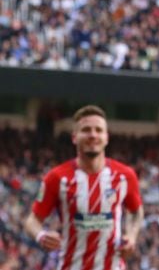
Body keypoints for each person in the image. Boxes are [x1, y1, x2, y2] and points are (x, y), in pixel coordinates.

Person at [24, 105, 144, 270]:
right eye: (86, 130)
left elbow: (136, 211)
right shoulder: (56, 177)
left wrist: (131, 236)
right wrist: (41, 235)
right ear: (74, 137)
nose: (93, 135)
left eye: (98, 130)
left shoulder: (125, 176)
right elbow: (32, 220)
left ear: (106, 137)